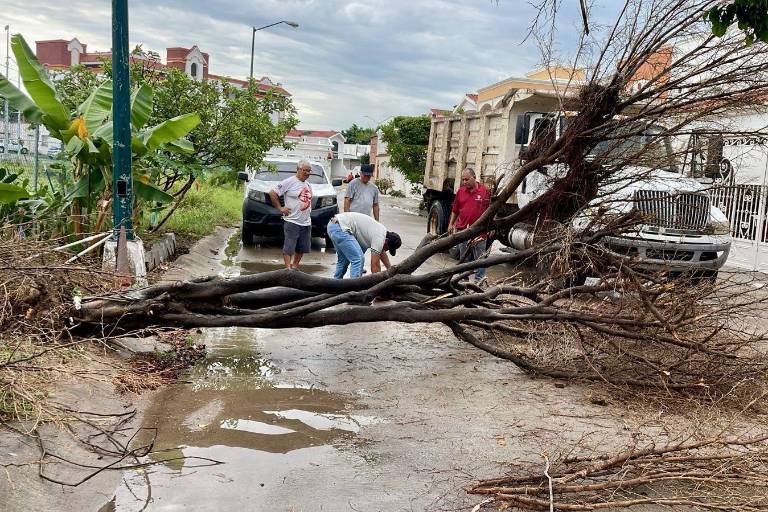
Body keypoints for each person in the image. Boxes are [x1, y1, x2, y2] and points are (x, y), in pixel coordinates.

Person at [447, 167, 491, 283]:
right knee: (464, 259)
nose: (464, 182)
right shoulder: (461, 192)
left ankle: (479, 281)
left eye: (467, 179)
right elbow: (455, 210)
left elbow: (491, 210)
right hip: (463, 231)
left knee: (481, 259)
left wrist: (491, 226)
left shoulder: (485, 191)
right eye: (463, 180)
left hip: (480, 232)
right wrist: (451, 224)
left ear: (474, 178)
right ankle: (463, 281)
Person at [326, 212, 401, 279]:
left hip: (333, 226)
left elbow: (382, 253)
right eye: (388, 248)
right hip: (340, 228)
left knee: (343, 260)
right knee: (358, 259)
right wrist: (378, 284)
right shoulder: (379, 237)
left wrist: (391, 270)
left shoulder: (381, 232)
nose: (386, 250)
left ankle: (335, 285)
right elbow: (375, 266)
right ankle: (354, 289)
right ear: (386, 240)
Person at [269, 160, 313, 270]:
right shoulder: (289, 181)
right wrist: (280, 208)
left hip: (306, 222)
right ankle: (288, 269)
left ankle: (294, 267)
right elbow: (272, 193)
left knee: (302, 248)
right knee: (289, 248)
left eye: (309, 171)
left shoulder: (308, 185)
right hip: (292, 221)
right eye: (304, 170)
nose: (307, 173)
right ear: (298, 169)